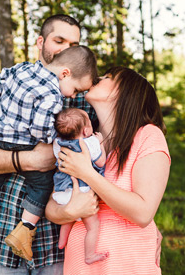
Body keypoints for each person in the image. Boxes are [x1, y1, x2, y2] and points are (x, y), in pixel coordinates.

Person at [0, 14, 100, 274]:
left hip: (58, 246)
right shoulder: (9, 86)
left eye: (74, 44)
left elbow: (116, 155)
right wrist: (29, 160)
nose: (66, 49)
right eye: (59, 40)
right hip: (0, 243)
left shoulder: (83, 103)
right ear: (41, 41)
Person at [49, 66, 170, 274]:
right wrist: (68, 211)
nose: (98, 78)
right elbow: (53, 204)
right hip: (80, 264)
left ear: (125, 93)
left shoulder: (148, 136)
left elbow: (142, 213)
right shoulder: (82, 139)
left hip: (125, 264)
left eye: (108, 77)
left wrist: (87, 173)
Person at [50, 108, 107, 264]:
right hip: (82, 191)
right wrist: (101, 143)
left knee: (68, 218)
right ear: (86, 130)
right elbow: (101, 162)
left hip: (63, 191)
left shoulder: (57, 143)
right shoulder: (90, 142)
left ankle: (61, 242)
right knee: (93, 226)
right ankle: (89, 255)